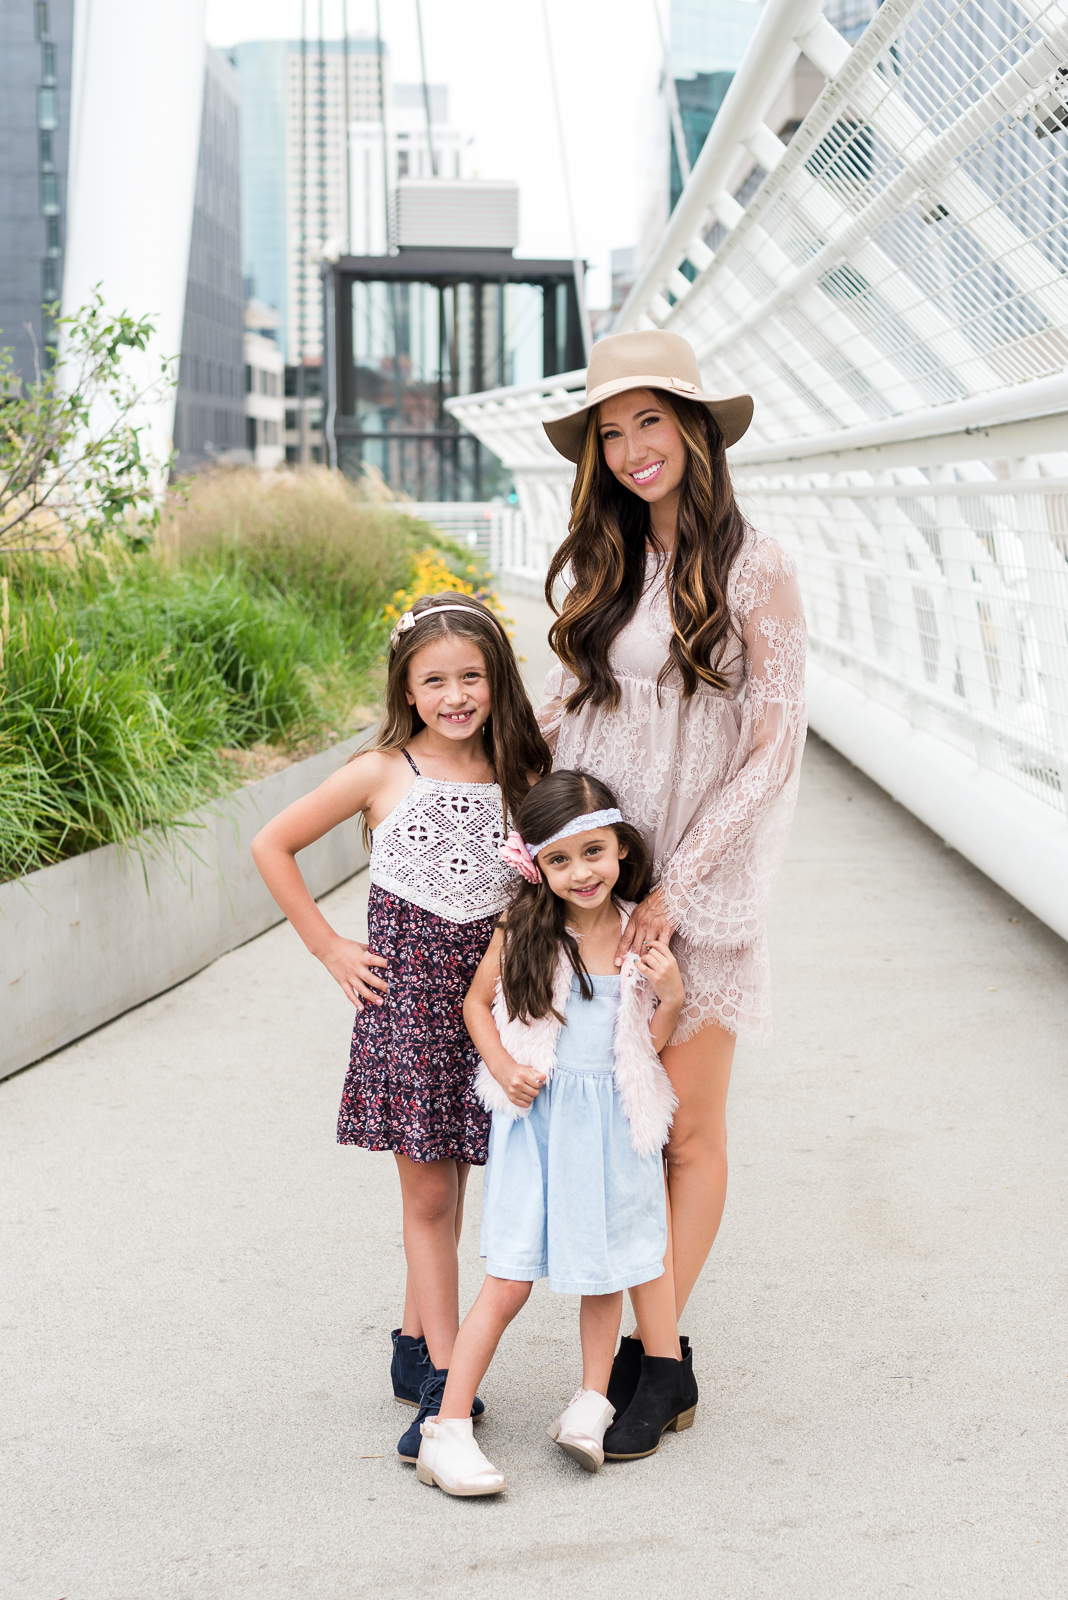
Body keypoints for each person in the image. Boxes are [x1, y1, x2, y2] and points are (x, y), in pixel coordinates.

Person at [536, 329, 807, 1414]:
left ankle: (661, 1358)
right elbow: (565, 709)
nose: (633, 447)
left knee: (687, 1127)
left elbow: (772, 743)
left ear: (696, 428)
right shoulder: (606, 560)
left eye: (651, 420)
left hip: (698, 881)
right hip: (600, 878)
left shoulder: (758, 564)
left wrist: (678, 885)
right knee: (616, 1121)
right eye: (610, 431)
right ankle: (651, 1347)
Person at [250, 594, 551, 1463]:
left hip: (491, 1004)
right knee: (427, 1193)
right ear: (407, 689)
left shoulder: (523, 776)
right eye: (435, 681)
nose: (455, 695)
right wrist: (329, 946)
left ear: (497, 681)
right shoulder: (382, 771)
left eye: (472, 677)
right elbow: (273, 843)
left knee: (453, 1183)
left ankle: (414, 1345)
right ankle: (444, 1388)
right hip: (410, 1004)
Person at [412, 770, 694, 1499]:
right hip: (537, 1123)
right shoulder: (528, 927)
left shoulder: (639, 935)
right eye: (560, 859)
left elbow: (647, 1047)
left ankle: (591, 1402)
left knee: (602, 1269)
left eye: (593, 852)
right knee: (508, 1279)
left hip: (609, 1127)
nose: (580, 873)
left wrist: (671, 997)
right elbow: (479, 1006)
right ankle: (445, 1428)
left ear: (621, 850)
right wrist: (503, 1066)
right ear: (536, 863)